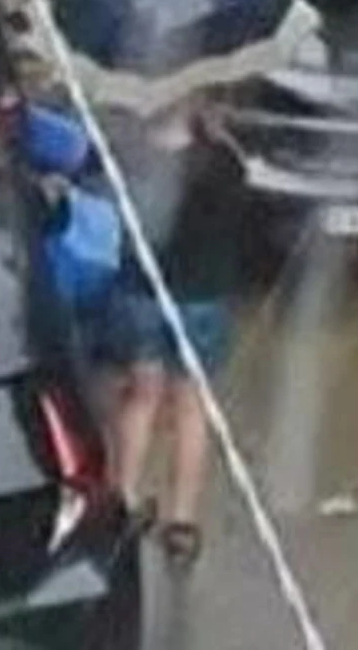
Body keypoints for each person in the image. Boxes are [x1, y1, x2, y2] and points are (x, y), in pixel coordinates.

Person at [84, 91, 248, 572]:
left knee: (140, 398)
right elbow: (238, 218)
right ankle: (182, 524)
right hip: (201, 298)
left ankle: (126, 501)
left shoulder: (131, 160)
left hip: (141, 296)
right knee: (191, 409)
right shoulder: (221, 163)